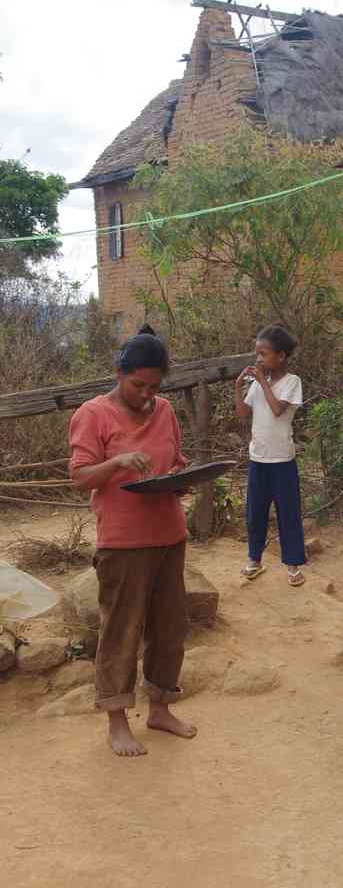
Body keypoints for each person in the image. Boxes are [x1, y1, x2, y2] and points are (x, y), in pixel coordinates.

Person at [69, 324, 196, 757]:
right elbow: (80, 476)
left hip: (169, 534)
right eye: (138, 384)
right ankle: (118, 720)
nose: (147, 394)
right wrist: (119, 461)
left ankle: (160, 708)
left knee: (170, 628)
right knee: (121, 631)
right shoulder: (93, 414)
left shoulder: (165, 412)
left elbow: (174, 463)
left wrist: (181, 482)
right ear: (118, 374)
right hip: (123, 543)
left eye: (154, 386)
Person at [234, 324, 306, 587]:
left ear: (281, 356)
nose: (258, 359)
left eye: (263, 354)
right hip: (258, 459)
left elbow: (277, 410)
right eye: (257, 353)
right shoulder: (256, 384)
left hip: (282, 461)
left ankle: (293, 564)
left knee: (288, 513)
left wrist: (262, 381)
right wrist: (238, 386)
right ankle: (254, 559)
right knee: (255, 513)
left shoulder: (292, 382)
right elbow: (243, 413)